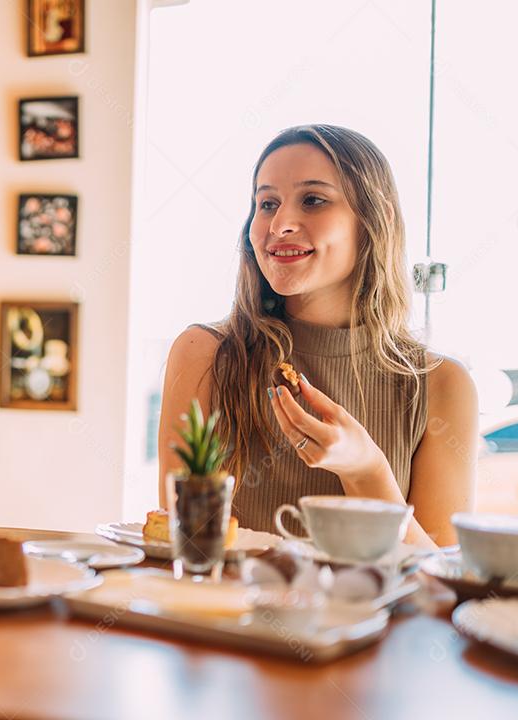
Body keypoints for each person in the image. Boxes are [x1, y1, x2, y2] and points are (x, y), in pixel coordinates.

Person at [158, 124, 476, 548]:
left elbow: (438, 587)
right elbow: (182, 541)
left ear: (371, 222)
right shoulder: (204, 354)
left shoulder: (441, 383)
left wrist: (366, 471)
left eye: (313, 200)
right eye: (267, 203)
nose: (281, 223)